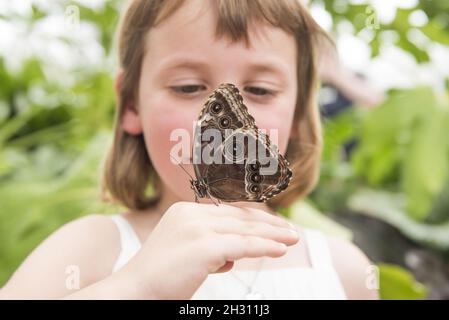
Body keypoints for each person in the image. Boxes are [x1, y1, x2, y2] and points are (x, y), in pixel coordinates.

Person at [0, 0, 378, 300]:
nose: (233, 130)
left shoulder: (342, 270)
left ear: (297, 113)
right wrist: (137, 289)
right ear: (131, 105)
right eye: (187, 87)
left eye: (260, 90)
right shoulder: (90, 249)